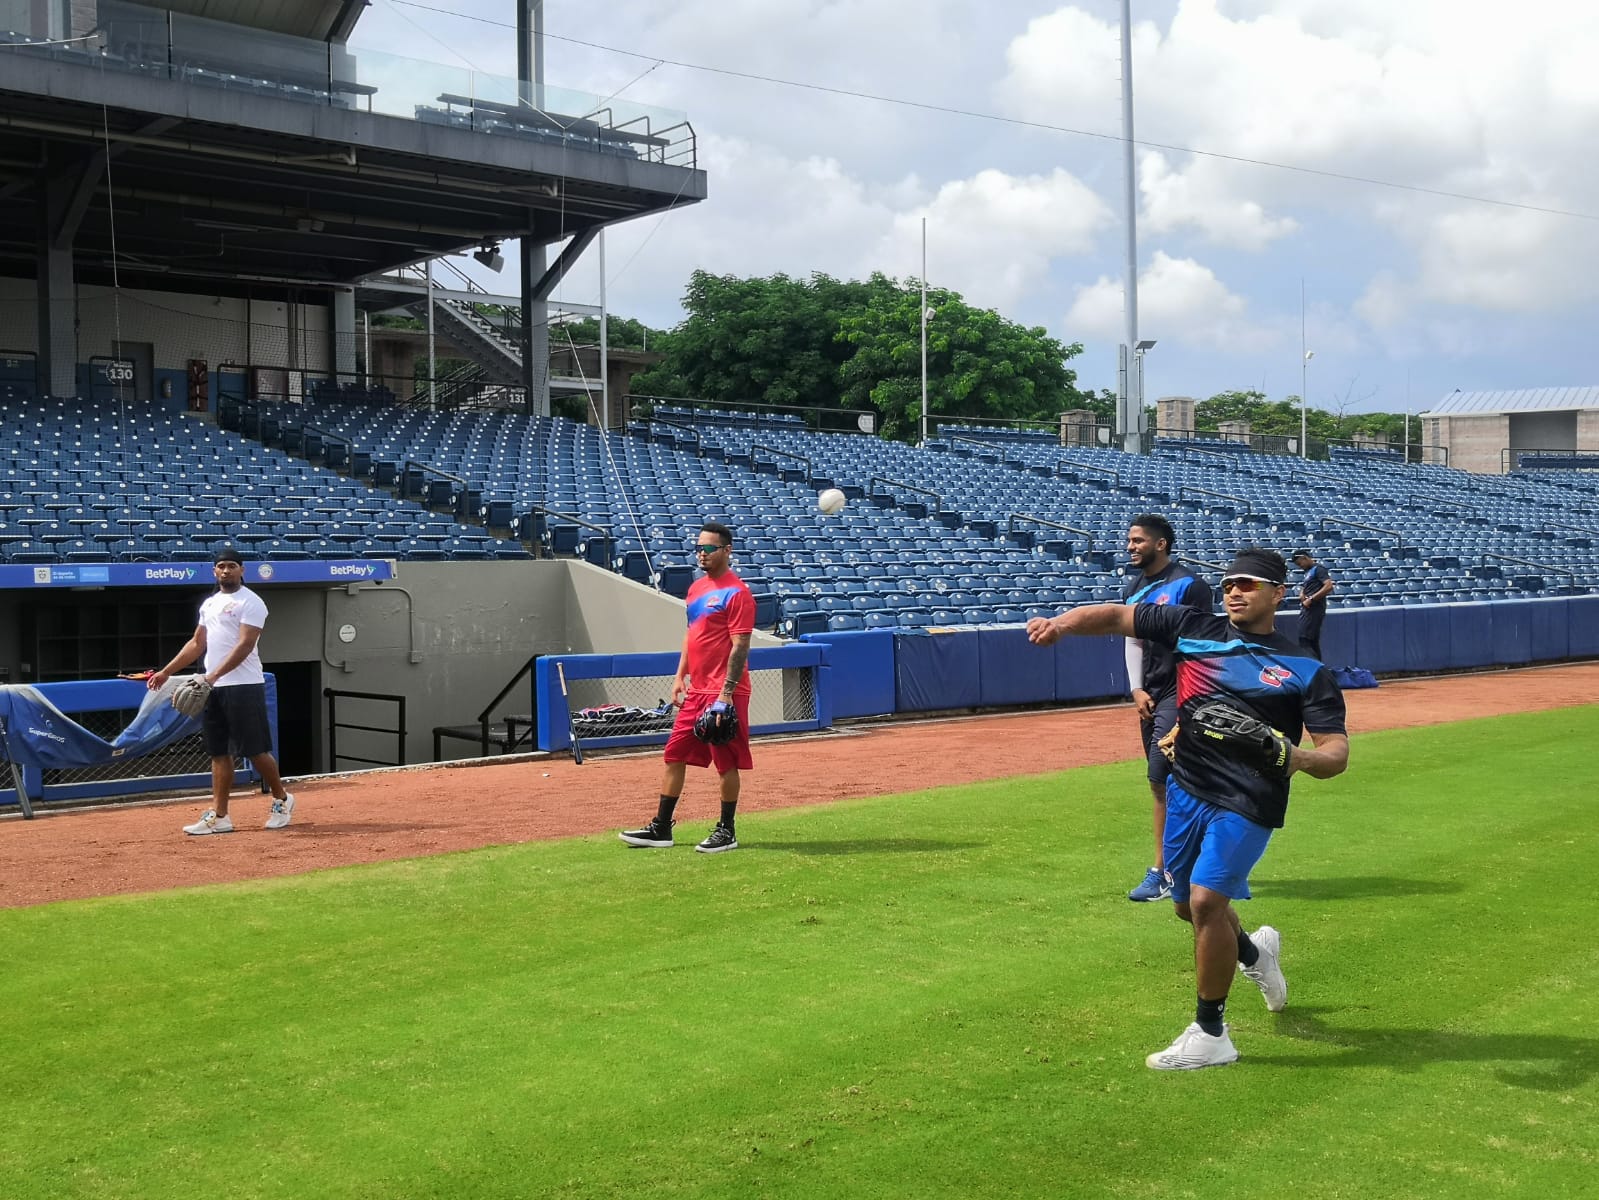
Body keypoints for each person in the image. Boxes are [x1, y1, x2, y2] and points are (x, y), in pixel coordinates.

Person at [1027, 548, 1348, 1071]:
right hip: (1188, 789)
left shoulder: (1305, 667)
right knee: (1187, 907)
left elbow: (1336, 752)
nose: (1235, 592)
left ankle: (1211, 1031)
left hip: (1249, 800)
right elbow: (1114, 615)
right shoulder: (1193, 626)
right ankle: (1255, 954)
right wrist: (1060, 625)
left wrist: (1300, 757)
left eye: (1248, 584)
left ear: (1277, 594)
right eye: (1228, 585)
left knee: (1204, 903)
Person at [620, 520, 754, 854]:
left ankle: (727, 830)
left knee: (726, 761)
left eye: (708, 548)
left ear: (726, 551)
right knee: (674, 754)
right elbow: (691, 635)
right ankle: (661, 828)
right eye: (698, 548)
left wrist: (725, 695)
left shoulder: (738, 593)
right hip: (697, 690)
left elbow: (740, 646)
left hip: (724, 691)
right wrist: (680, 676)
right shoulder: (696, 590)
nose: (702, 554)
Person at [149, 544, 295, 836]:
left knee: (255, 751)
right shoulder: (210, 603)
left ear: (242, 570)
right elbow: (196, 644)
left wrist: (212, 676)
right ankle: (220, 816)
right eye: (221, 566)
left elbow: (244, 645)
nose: (226, 570)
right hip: (213, 687)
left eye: (232, 566)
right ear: (214, 571)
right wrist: (167, 671)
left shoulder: (251, 602)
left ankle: (281, 798)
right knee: (218, 752)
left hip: (244, 685)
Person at [1120, 514, 1214, 903]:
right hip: (1152, 694)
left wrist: (1199, 698)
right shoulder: (1135, 586)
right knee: (1171, 783)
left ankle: (1162, 871)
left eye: (1138, 540)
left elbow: (1206, 645)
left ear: (1161, 544)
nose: (1130, 546)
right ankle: (1195, 862)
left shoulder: (1189, 586)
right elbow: (1133, 640)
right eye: (1129, 540)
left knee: (1160, 777)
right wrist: (1136, 688)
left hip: (1184, 691)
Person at [1291, 550, 1336, 661]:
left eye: (1299, 563)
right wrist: (1302, 593)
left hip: (1314, 608)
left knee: (1304, 639)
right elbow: (1305, 585)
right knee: (1312, 641)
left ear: (1304, 558)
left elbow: (1329, 586)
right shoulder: (1308, 571)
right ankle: (1320, 671)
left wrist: (1311, 599)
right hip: (1308, 608)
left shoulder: (1319, 569)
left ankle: (1313, 668)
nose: (1300, 566)